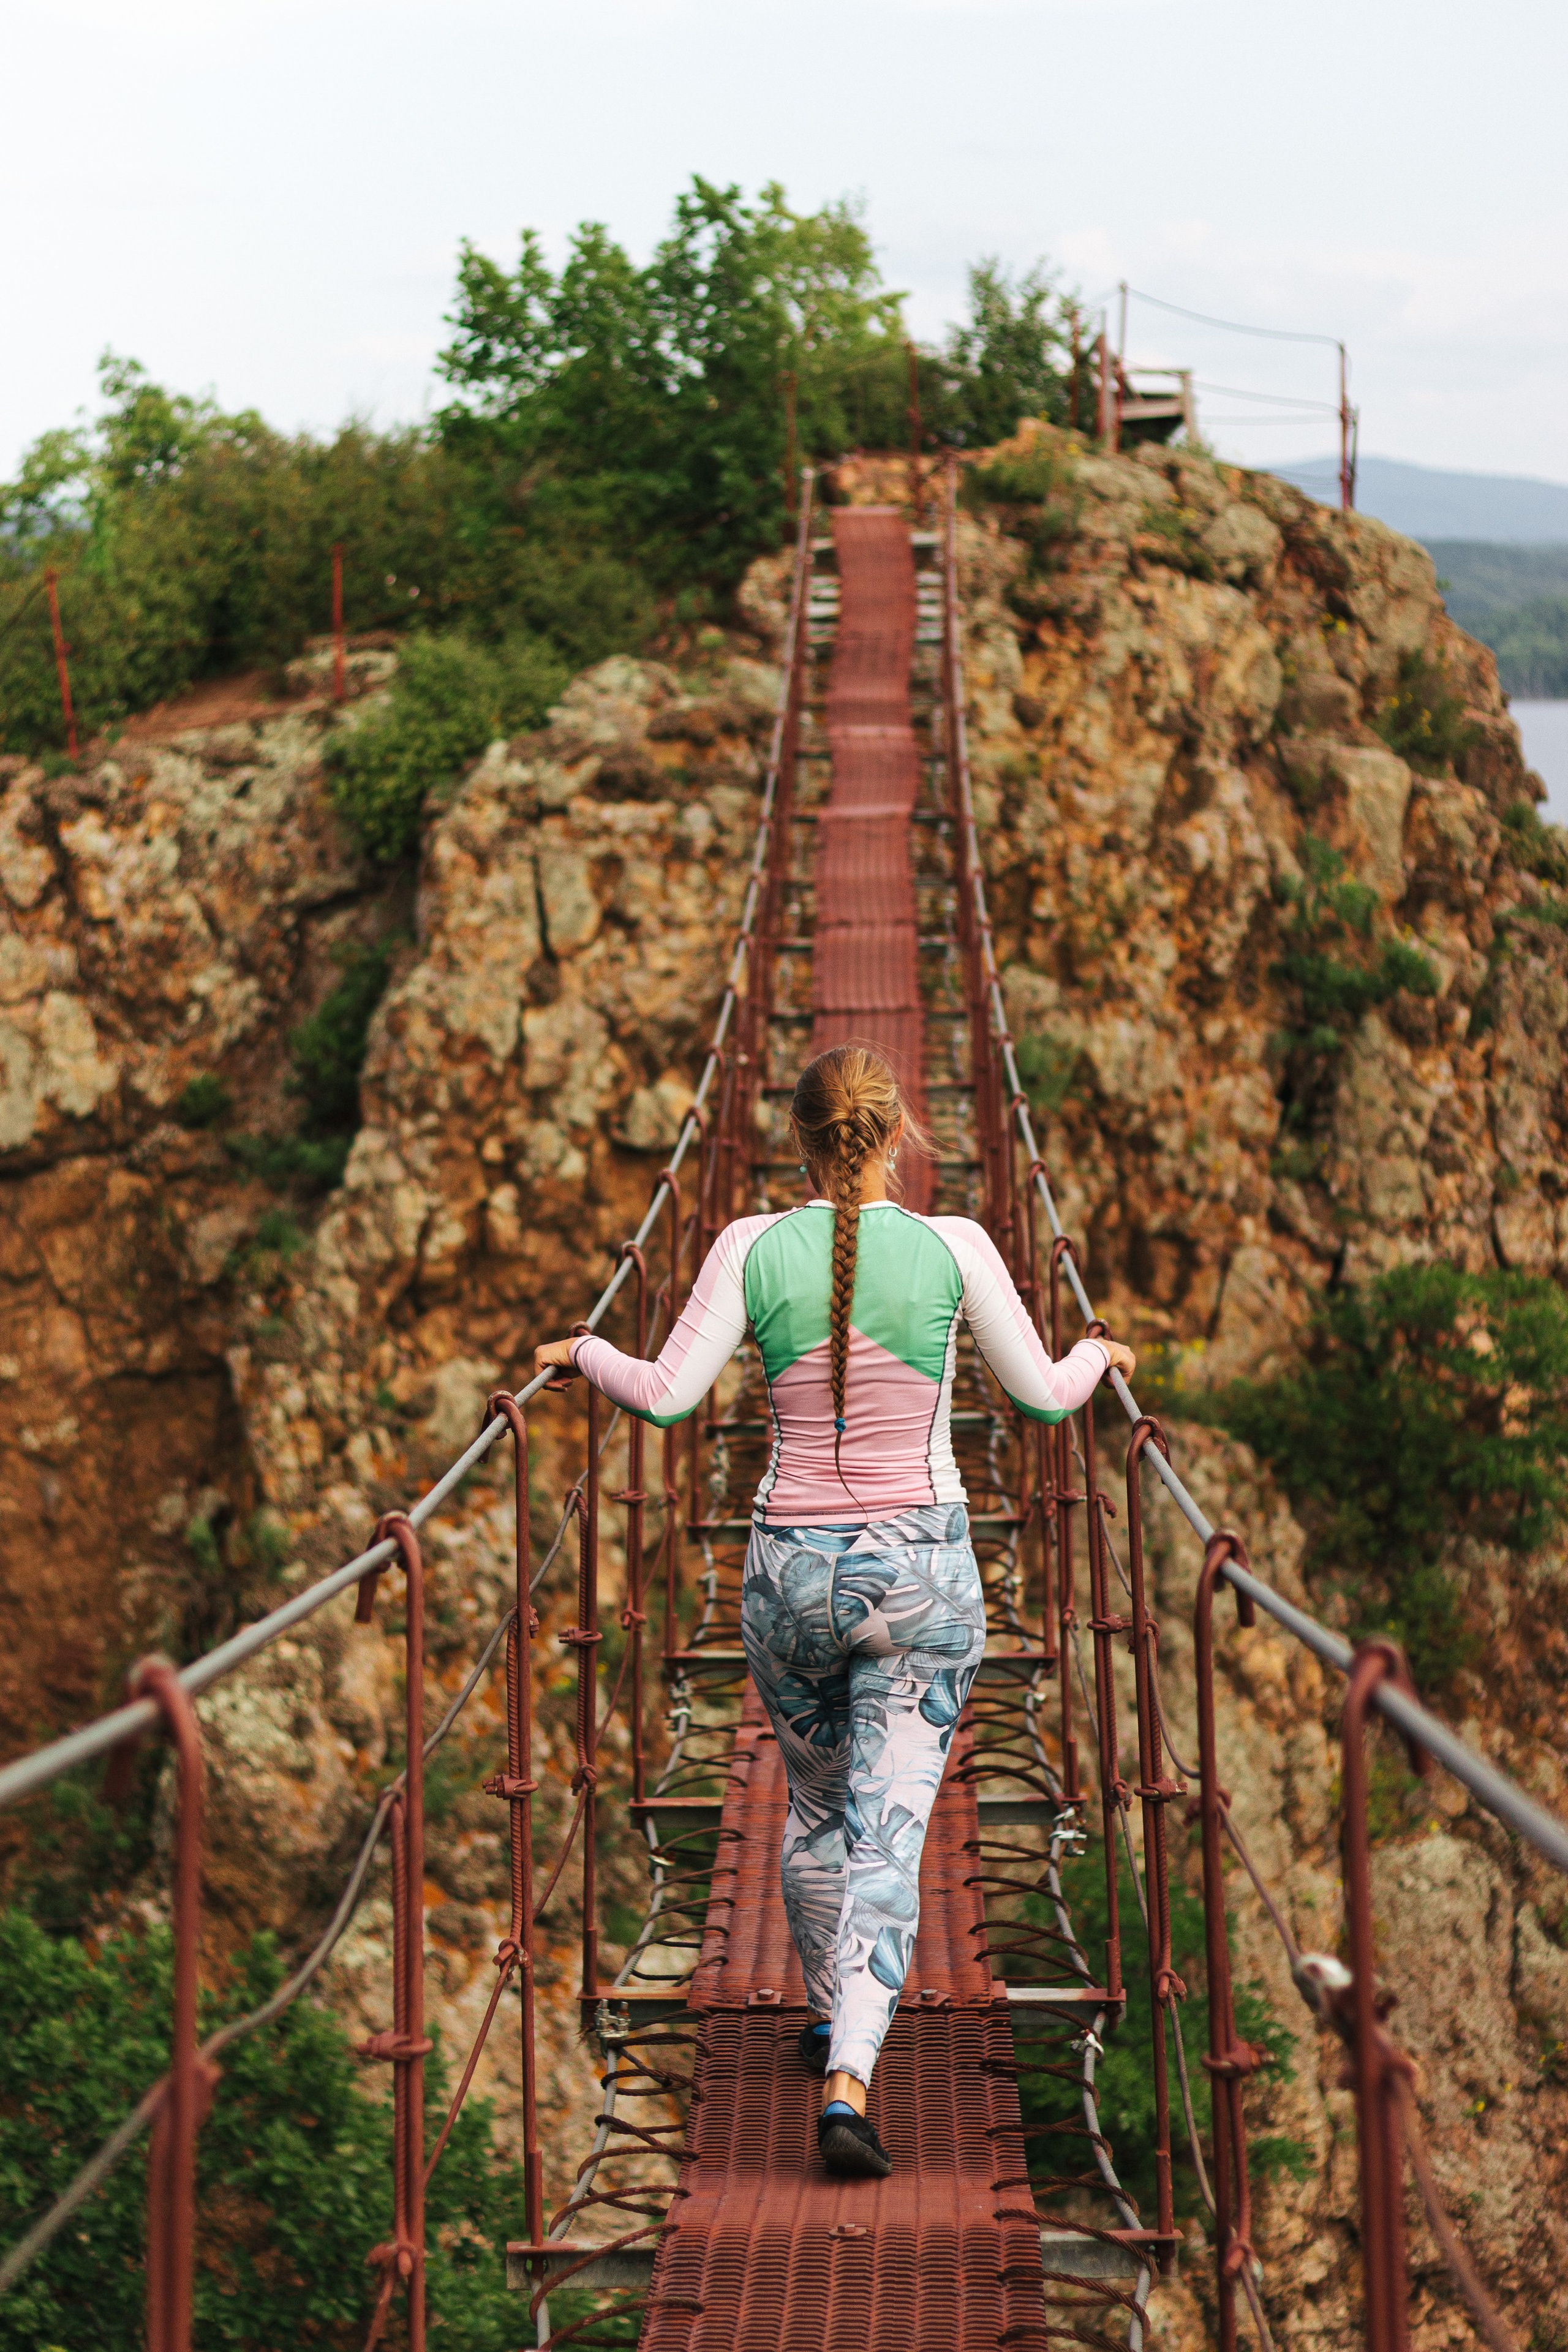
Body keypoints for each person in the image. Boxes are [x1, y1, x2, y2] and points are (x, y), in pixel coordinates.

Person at [535, 1044, 1134, 2181]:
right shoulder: (958, 1246)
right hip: (920, 1583)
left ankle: (830, 2012)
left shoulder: (745, 1247)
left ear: (798, 1138)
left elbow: (665, 1403)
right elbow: (1046, 1402)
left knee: (815, 1809)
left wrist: (584, 1351)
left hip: (788, 1584)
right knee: (888, 1828)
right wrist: (1098, 1354)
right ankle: (849, 2076)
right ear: (901, 1129)